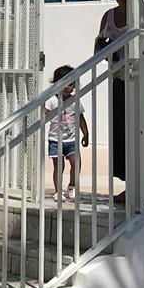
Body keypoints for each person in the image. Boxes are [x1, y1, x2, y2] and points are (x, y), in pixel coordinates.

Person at [94, 0, 130, 202]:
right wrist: (105, 48)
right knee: (121, 134)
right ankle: (130, 185)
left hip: (141, 81)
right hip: (119, 80)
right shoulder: (108, 17)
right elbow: (97, 49)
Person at [44, 64, 89, 196]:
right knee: (59, 167)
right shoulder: (52, 100)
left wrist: (86, 133)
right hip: (55, 140)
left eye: (70, 84)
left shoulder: (75, 101)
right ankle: (58, 191)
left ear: (74, 86)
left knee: (76, 162)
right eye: (63, 83)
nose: (66, 87)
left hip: (71, 139)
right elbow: (43, 114)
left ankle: (72, 186)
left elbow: (80, 118)